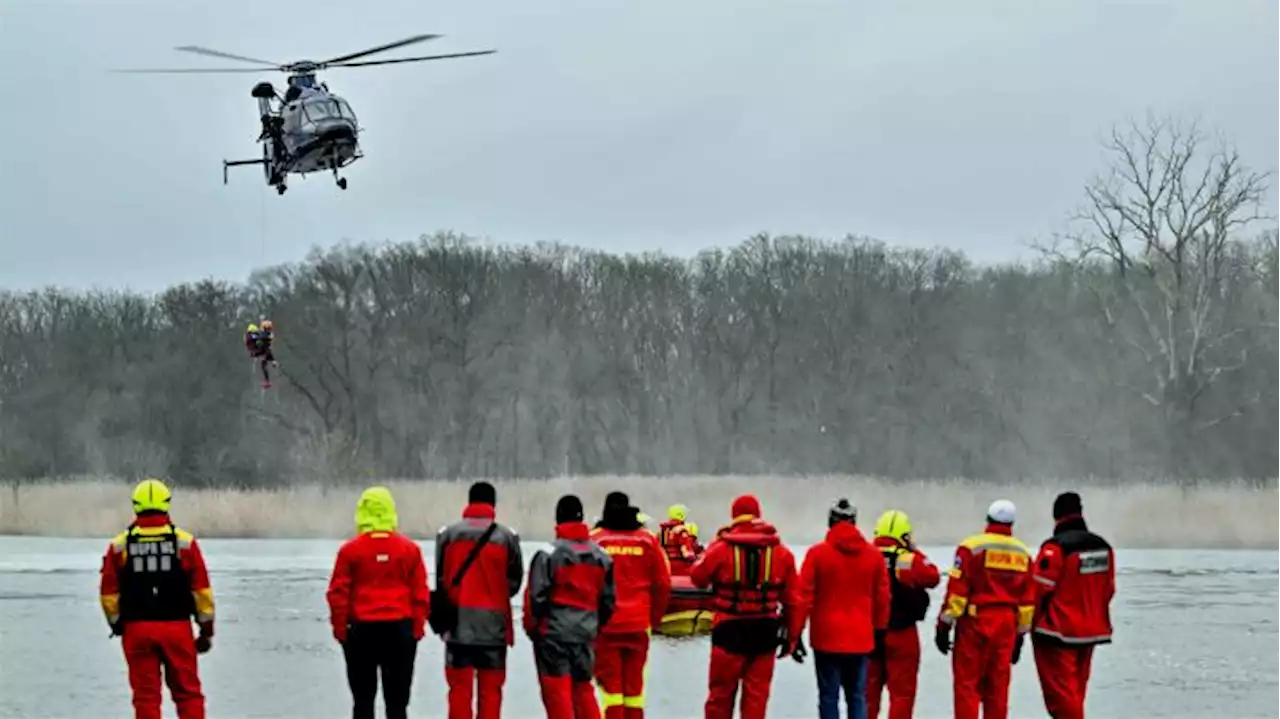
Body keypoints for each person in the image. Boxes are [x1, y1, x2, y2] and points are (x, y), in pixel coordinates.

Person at [99, 478, 216, 719]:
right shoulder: (184, 543)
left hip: (137, 629)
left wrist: (117, 623)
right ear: (166, 504)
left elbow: (108, 595)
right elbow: (202, 593)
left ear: (135, 505)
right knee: (188, 694)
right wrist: (206, 631)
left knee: (146, 697)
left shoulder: (120, 546)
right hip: (177, 629)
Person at [690, 494, 800, 719]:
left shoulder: (721, 548)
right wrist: (792, 638)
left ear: (734, 516)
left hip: (728, 629)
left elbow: (698, 577)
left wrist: (715, 542)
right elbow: (794, 601)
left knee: (720, 697)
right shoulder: (782, 552)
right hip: (765, 632)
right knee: (756, 700)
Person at [326, 486, 430, 719]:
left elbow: (338, 594)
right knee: (397, 703)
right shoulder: (410, 550)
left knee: (362, 700)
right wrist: (417, 628)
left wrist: (341, 630)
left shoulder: (350, 551)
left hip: (361, 630)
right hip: (400, 629)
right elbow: (420, 593)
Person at [934, 500, 1035, 719]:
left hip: (975, 622)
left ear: (988, 520)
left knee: (967, 687)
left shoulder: (971, 547)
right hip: (1006, 625)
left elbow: (957, 594)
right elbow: (1027, 602)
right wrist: (1020, 636)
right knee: (998, 691)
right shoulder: (1024, 553)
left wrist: (943, 625)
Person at [789, 499, 890, 719]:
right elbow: (882, 599)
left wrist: (794, 635)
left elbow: (803, 598)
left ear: (830, 522)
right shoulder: (874, 557)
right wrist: (880, 633)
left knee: (828, 696)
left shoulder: (817, 554)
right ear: (855, 523)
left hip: (826, 639)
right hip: (862, 639)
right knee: (857, 696)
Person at [435, 481, 524, 719]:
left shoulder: (448, 535)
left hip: (457, 626)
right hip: (493, 628)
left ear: (469, 502)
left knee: (459, 693)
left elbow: (441, 579)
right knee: (491, 694)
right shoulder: (506, 537)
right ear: (493, 504)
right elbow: (514, 581)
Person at [524, 494, 616, 719]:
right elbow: (608, 601)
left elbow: (536, 599)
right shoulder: (602, 557)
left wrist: (534, 630)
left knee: (557, 694)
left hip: (553, 635)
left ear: (558, 521)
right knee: (584, 690)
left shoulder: (548, 554)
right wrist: (594, 627)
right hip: (585, 634)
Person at [1031, 492, 1116, 719]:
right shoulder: (1103, 547)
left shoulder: (1055, 548)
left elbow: (1038, 591)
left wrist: (1027, 626)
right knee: (1076, 692)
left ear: (1056, 517)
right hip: (1091, 631)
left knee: (1061, 697)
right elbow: (1108, 589)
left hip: (1058, 633)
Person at [591, 491, 672, 719]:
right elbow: (663, 584)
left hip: (606, 626)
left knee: (611, 690)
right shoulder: (648, 541)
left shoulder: (596, 540)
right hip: (639, 624)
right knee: (634, 690)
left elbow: (585, 582)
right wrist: (654, 620)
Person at [866, 509, 941, 719]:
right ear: (905, 536)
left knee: (866, 696)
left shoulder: (865, 555)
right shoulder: (908, 559)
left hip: (868, 634)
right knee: (902, 696)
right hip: (902, 633)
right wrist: (914, 551)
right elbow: (933, 577)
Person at [658, 504, 699, 573]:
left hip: (667, 567)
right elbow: (686, 551)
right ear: (681, 515)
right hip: (681, 567)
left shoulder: (663, 532)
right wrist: (695, 560)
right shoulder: (681, 531)